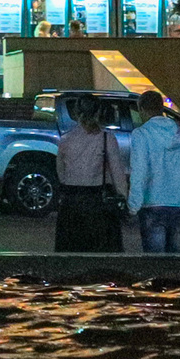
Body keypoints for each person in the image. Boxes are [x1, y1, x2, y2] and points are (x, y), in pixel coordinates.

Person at [126, 89, 180, 253]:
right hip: (179, 204)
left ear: (142, 109)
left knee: (154, 262)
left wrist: (133, 205)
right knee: (174, 263)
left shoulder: (141, 134)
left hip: (152, 203)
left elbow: (140, 172)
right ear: (161, 108)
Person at [54, 100, 129, 251]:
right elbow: (117, 173)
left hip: (71, 202)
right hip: (96, 201)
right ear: (98, 113)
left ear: (76, 114)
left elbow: (61, 172)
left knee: (71, 251)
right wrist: (125, 197)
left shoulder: (66, 139)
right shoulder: (106, 138)